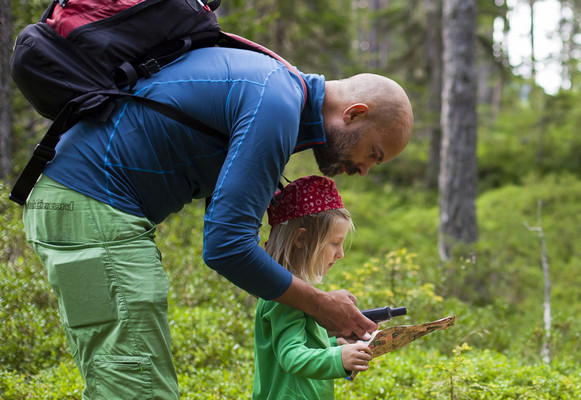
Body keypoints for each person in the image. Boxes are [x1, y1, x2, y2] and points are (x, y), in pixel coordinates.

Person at [22, 43, 413, 398]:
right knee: (138, 387)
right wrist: (318, 305)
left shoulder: (278, 89)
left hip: (86, 203)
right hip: (90, 201)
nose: (363, 170)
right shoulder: (276, 103)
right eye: (373, 153)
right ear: (354, 113)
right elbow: (226, 246)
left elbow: (229, 217)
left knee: (121, 377)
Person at [253, 175, 373, 400]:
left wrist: (333, 343)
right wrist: (338, 358)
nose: (341, 253)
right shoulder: (287, 297)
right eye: (334, 243)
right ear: (301, 239)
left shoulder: (290, 288)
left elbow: (297, 341)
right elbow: (291, 356)